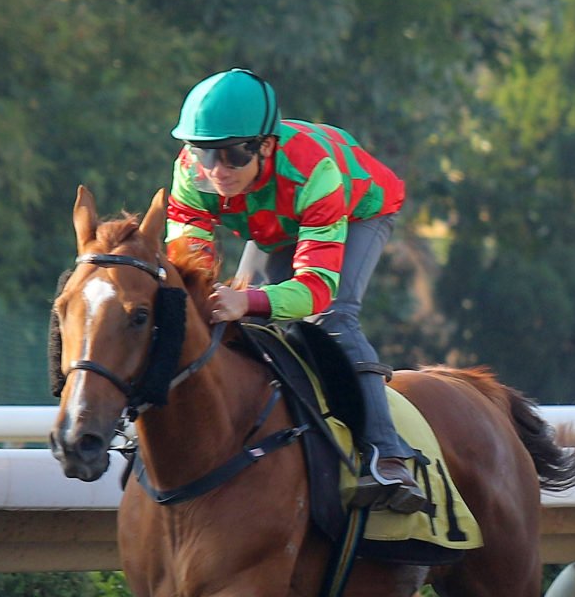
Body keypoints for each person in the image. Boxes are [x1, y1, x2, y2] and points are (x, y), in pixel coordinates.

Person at [166, 68, 427, 514]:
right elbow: (191, 268)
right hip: (272, 219)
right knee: (221, 312)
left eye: (230, 155)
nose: (216, 170)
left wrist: (247, 300)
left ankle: (388, 455)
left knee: (332, 317)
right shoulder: (193, 173)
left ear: (264, 145)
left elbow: (316, 289)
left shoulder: (315, 173)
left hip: (357, 207)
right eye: (204, 153)